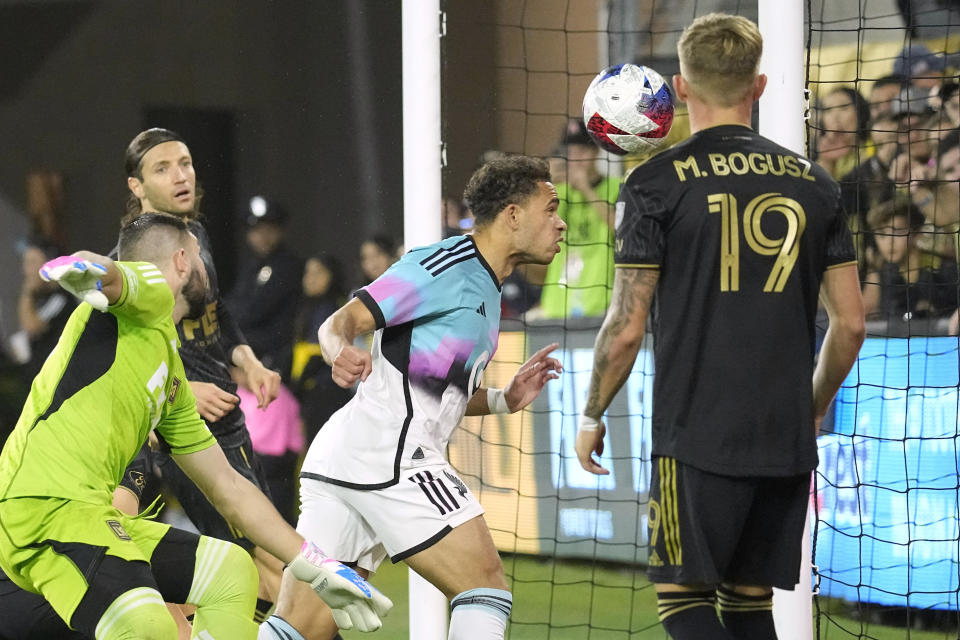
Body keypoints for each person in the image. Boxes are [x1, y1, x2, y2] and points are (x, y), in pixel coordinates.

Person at [573, 14, 865, 640]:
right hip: (783, 437)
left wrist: (593, 412)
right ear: (758, 87)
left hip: (696, 433)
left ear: (679, 88)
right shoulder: (818, 186)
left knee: (683, 600)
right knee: (749, 604)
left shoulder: (652, 183)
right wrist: (809, 409)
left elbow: (625, 327)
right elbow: (851, 325)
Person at [0, 213, 391, 639]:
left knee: (232, 570)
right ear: (184, 262)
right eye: (203, 260)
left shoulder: (169, 374)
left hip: (89, 516)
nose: (211, 273)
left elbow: (229, 488)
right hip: (40, 509)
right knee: (149, 626)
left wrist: (318, 566)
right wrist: (88, 268)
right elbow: (121, 278)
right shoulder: (141, 304)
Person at [260, 155, 567, 640]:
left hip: (352, 456)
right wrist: (339, 350)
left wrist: (504, 398)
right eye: (550, 208)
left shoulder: (486, 288)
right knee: (485, 587)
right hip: (392, 454)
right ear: (512, 215)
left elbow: (433, 391)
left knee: (301, 629)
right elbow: (339, 322)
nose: (561, 221)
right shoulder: (444, 265)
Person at [122, 128, 285, 620]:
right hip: (187, 434)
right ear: (136, 187)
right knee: (271, 566)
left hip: (230, 423)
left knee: (257, 568)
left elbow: (218, 316)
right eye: (162, 168)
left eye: (186, 163)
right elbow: (124, 352)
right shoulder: (132, 261)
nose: (181, 176)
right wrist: (185, 389)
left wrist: (247, 359)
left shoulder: (196, 237)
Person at [538, 119, 619, 319]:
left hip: (600, 305)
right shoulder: (558, 193)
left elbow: (621, 229)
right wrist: (543, 184)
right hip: (557, 307)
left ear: (596, 152)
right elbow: (533, 229)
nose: (575, 158)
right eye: (570, 152)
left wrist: (586, 188)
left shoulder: (617, 186)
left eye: (582, 151)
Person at [227, 196, 304, 374]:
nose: (262, 237)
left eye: (269, 230)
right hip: (252, 350)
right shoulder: (252, 266)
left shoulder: (287, 265)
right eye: (256, 231)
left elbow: (254, 310)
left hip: (275, 356)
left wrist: (223, 322)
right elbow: (235, 300)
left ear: (281, 231)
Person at [862, 198, 957, 332]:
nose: (890, 242)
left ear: (917, 234)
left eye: (898, 232)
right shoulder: (884, 272)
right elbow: (865, 312)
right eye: (882, 235)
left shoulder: (945, 269)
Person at [292, 254, 353, 443]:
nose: (310, 278)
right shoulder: (308, 307)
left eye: (318, 272)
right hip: (314, 392)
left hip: (328, 391)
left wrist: (298, 384)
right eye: (308, 273)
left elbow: (318, 355)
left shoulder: (334, 308)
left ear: (332, 276)